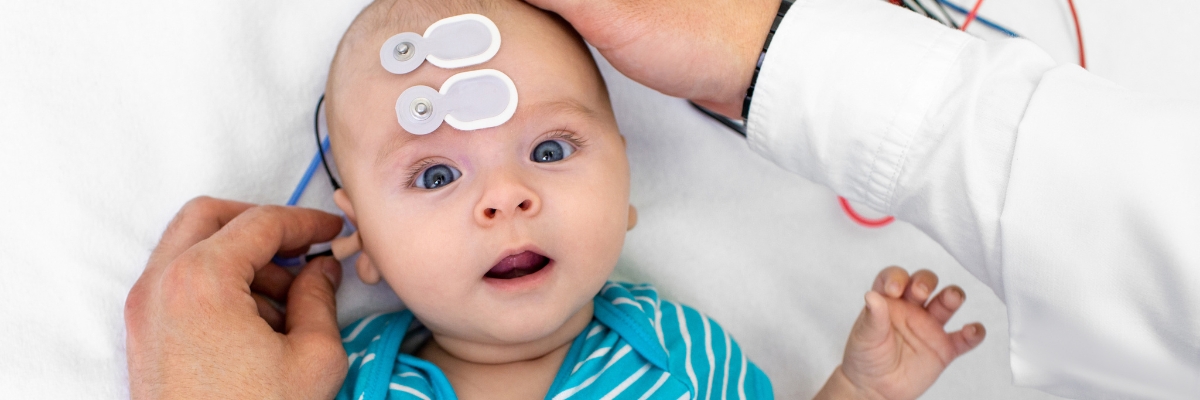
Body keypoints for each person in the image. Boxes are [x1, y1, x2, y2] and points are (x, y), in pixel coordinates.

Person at [125, 0, 1200, 398]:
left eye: (550, 149)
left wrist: (866, 386)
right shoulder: (349, 383)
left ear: (629, 196)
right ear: (358, 240)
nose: (504, 198)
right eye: (438, 177)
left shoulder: (678, 354)